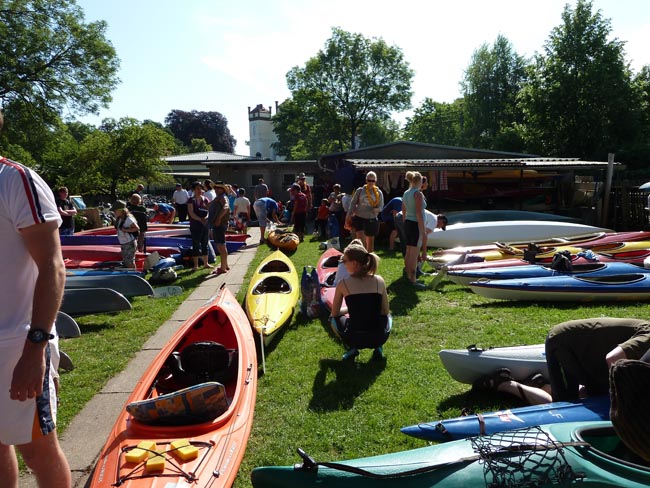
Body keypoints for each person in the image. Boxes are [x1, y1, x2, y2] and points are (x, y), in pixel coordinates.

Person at [0, 111, 72, 487]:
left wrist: (35, 349)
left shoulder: (15, 180)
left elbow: (52, 265)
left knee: (38, 452)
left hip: (16, 344)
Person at [473, 317, 650, 405]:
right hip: (564, 345)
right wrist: (624, 399)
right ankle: (504, 383)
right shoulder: (648, 335)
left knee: (591, 397)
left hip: (586, 356)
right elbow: (613, 359)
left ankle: (541, 385)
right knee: (564, 405)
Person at [330, 239, 391, 361]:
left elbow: (335, 313)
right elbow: (385, 311)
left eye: (345, 261)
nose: (343, 264)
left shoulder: (343, 284)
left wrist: (348, 310)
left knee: (332, 319)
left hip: (354, 337)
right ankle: (378, 347)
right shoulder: (379, 280)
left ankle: (352, 348)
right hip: (379, 336)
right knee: (388, 316)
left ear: (354, 263)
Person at [345, 171, 384, 253]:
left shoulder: (379, 192)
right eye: (369, 180)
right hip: (360, 217)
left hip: (372, 219)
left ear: (375, 181)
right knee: (361, 241)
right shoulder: (360, 190)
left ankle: (370, 260)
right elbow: (353, 203)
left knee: (370, 243)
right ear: (366, 180)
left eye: (373, 181)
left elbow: (381, 206)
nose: (371, 183)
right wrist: (348, 215)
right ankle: (362, 258)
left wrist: (376, 209)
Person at [402, 171, 427, 288]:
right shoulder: (417, 194)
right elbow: (418, 212)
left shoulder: (406, 193)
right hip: (415, 224)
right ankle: (413, 279)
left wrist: (404, 222)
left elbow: (404, 210)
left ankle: (408, 275)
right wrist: (423, 230)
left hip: (408, 223)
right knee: (414, 252)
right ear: (419, 181)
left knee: (409, 251)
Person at [187, 181, 212, 272]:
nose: (199, 190)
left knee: (205, 243)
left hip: (205, 224)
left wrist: (206, 218)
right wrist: (199, 219)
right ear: (194, 189)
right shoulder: (191, 200)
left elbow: (209, 211)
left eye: (200, 188)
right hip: (195, 225)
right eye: (197, 188)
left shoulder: (205, 199)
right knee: (196, 244)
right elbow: (191, 213)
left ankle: (206, 263)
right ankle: (195, 265)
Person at [208, 181, 230, 275]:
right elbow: (208, 206)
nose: (216, 189)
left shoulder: (223, 197)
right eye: (215, 188)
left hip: (219, 224)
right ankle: (226, 265)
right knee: (221, 245)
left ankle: (223, 268)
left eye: (219, 188)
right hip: (217, 224)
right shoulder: (218, 198)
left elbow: (226, 208)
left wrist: (218, 218)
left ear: (223, 189)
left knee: (220, 245)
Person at [112, 200, 140, 269]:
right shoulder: (120, 218)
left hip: (129, 243)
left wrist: (126, 230)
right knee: (126, 261)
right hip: (124, 243)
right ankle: (130, 274)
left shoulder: (128, 219)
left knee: (129, 261)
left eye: (115, 210)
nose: (114, 212)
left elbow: (137, 228)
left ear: (121, 210)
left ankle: (134, 275)